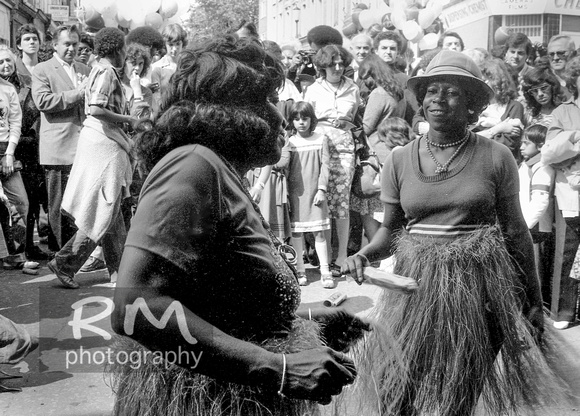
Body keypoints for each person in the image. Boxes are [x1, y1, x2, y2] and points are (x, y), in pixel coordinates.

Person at [110, 35, 367, 415]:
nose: (280, 116)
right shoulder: (194, 166)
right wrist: (277, 368)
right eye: (265, 102)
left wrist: (308, 319)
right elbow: (134, 306)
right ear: (228, 110)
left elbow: (219, 306)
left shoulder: (224, 172)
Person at [343, 50, 548, 416]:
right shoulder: (400, 158)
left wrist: (532, 301)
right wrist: (363, 255)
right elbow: (390, 230)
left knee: (458, 395)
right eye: (432, 90)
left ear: (472, 103)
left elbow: (516, 231)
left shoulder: (497, 156)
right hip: (414, 288)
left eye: (452, 91)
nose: (439, 99)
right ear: (421, 101)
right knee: (396, 393)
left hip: (479, 289)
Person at [47, 27, 138, 289]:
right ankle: (65, 263)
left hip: (103, 143)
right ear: (117, 49)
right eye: (124, 50)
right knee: (103, 210)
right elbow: (96, 108)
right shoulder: (107, 71)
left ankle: (119, 271)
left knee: (110, 208)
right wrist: (129, 119)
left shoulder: (99, 68)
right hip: (105, 145)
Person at [32, 25, 91, 251]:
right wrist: (78, 94)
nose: (71, 48)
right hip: (58, 150)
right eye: (67, 43)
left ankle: (72, 256)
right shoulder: (43, 69)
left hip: (83, 148)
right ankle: (57, 256)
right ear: (55, 44)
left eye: (75, 44)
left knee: (79, 206)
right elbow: (43, 102)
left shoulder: (85, 69)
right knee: (57, 207)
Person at [304, 44, 360, 279]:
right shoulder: (313, 90)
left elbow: (355, 116)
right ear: (323, 66)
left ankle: (341, 256)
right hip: (320, 147)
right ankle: (324, 255)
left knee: (342, 204)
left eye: (341, 64)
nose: (338, 68)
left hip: (345, 148)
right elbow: (307, 117)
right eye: (332, 64)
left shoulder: (353, 88)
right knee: (322, 201)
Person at [0, 45, 52, 261]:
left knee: (21, 202)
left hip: (5, 151)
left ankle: (16, 253)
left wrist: (10, 153)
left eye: (8, 62)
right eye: (1, 61)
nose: (5, 65)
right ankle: (14, 253)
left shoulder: (9, 89)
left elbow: (15, 123)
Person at [540, 55, 580, 330]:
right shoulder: (563, 113)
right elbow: (550, 152)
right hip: (573, 194)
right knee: (567, 252)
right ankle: (564, 312)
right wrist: (576, 138)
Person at [351, 54, 406, 243]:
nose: (365, 81)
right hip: (394, 149)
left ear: (375, 73)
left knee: (369, 208)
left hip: (375, 152)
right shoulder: (398, 92)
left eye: (367, 76)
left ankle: (377, 251)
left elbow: (366, 126)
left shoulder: (378, 94)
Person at [287, 101, 332, 287]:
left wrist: (322, 189)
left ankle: (325, 270)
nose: (301, 122)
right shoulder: (290, 142)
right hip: (296, 194)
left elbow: (326, 166)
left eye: (305, 118)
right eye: (296, 119)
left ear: (311, 119)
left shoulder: (321, 139)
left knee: (318, 231)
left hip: (315, 193)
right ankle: (300, 269)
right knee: (297, 233)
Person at [519, 124, 555, 304]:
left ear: (540, 145)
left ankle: (538, 308)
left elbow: (540, 202)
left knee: (536, 273)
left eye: (526, 143)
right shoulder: (528, 165)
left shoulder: (542, 167)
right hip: (529, 227)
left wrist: (523, 227)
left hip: (536, 228)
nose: (521, 147)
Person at [475, 58, 524, 161]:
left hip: (501, 164)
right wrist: (499, 128)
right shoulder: (476, 106)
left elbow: (507, 143)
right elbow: (464, 140)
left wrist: (483, 133)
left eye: (487, 79)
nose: (483, 83)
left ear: (497, 80)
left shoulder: (514, 106)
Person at [150, 23, 187, 113]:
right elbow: (156, 99)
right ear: (165, 45)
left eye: (178, 44)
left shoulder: (188, 66)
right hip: (166, 114)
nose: (174, 49)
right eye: (170, 44)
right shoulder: (156, 68)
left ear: (183, 43)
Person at [547, 35, 576, 100]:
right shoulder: (545, 81)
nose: (555, 58)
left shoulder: (577, 80)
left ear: (573, 54)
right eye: (551, 54)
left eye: (561, 53)